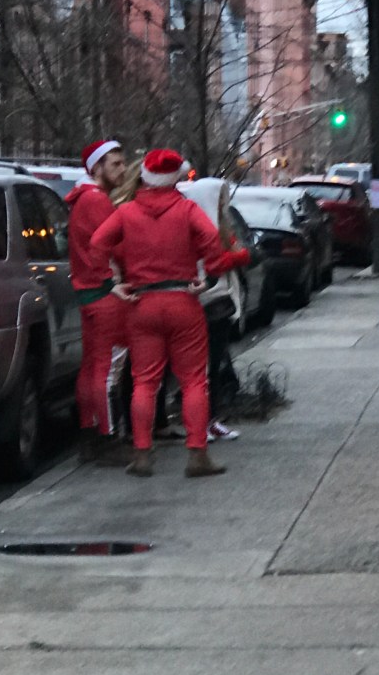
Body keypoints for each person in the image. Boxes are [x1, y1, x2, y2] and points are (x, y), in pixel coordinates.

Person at [90, 149, 250, 478]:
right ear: (175, 177)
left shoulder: (126, 212)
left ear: (145, 176)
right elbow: (214, 246)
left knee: (144, 382)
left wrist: (112, 283)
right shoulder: (187, 210)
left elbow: (97, 243)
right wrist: (209, 279)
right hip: (182, 302)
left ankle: (142, 454)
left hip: (142, 305)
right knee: (194, 381)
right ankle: (197, 454)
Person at [65, 139, 132, 465]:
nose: (122, 169)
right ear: (97, 167)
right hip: (106, 293)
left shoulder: (82, 200)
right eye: (116, 164)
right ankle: (107, 439)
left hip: (87, 293)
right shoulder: (99, 202)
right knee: (108, 370)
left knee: (91, 367)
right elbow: (116, 247)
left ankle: (89, 433)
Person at [176, 177, 244, 443]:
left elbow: (238, 253)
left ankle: (211, 419)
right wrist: (233, 257)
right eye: (217, 200)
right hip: (202, 300)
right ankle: (199, 423)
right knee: (200, 369)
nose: (221, 205)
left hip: (220, 300)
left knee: (214, 364)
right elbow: (213, 262)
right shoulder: (196, 226)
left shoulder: (221, 227)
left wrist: (235, 256)